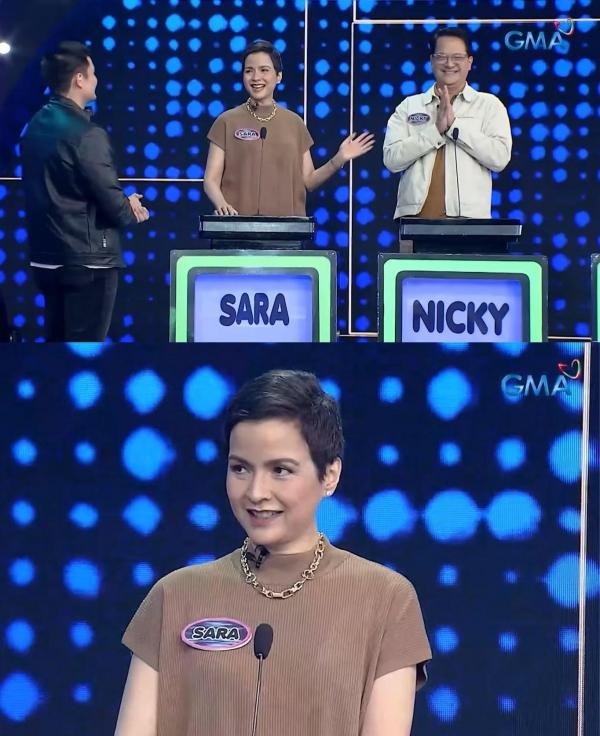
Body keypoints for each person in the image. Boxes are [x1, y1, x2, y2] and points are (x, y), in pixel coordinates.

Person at [115, 370, 431, 736]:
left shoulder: (386, 599)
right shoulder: (174, 596)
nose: (256, 492)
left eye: (280, 470)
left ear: (329, 475)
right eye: (240, 468)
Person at [21, 41, 149, 342]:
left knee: (55, 349)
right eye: (92, 73)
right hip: (87, 262)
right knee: (83, 355)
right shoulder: (88, 134)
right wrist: (129, 206)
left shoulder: (34, 126)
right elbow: (112, 203)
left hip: (45, 259)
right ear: (79, 79)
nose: (96, 79)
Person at [203, 39, 375, 216]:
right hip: (236, 225)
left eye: (264, 70)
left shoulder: (294, 123)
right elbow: (210, 180)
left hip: (286, 227)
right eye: (249, 71)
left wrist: (339, 159)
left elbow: (309, 181)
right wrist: (222, 205)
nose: (255, 77)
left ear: (278, 76)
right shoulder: (226, 121)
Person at [383, 27, 512, 223]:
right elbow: (391, 159)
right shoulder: (410, 106)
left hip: (470, 221)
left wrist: (454, 127)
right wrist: (434, 132)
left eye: (457, 57)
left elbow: (499, 158)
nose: (449, 63)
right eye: (441, 56)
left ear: (469, 62)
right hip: (415, 221)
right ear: (432, 61)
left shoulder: (489, 105)